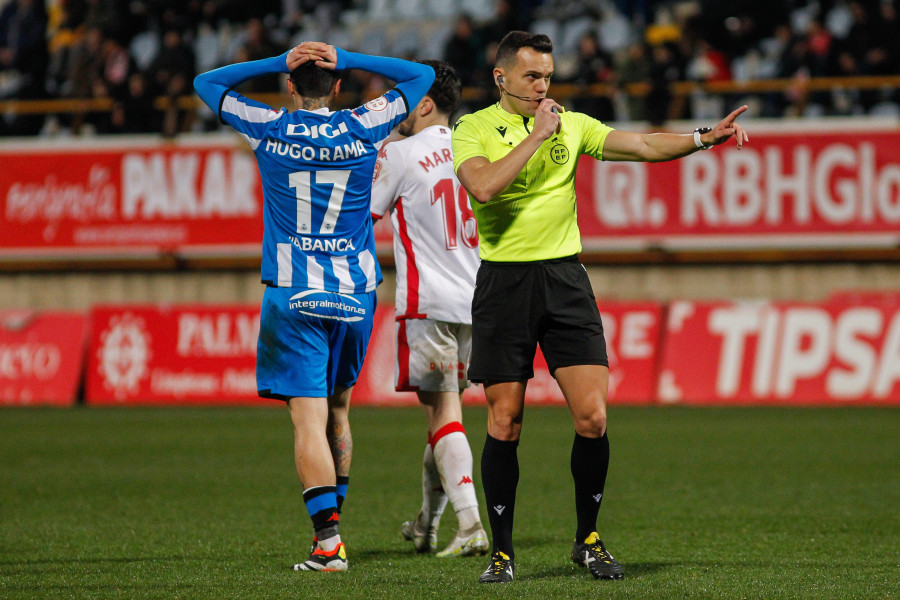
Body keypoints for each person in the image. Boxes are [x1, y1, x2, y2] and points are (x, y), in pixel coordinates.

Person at [451, 30, 749, 584]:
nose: (544, 87)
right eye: (532, 77)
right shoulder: (471, 130)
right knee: (505, 421)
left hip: (564, 278)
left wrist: (703, 137)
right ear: (501, 78)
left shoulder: (572, 122)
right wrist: (538, 137)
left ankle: (587, 539)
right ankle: (503, 551)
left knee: (592, 417)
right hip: (504, 284)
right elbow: (485, 188)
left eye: (548, 76)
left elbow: (639, 146)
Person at [194, 42, 434, 572]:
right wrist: (347, 54)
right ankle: (332, 529)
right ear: (339, 86)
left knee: (307, 420)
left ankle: (329, 544)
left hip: (294, 291)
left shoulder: (269, 127)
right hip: (354, 294)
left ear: (289, 86)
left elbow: (206, 83)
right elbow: (420, 75)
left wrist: (276, 60)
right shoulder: (362, 125)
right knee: (339, 408)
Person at [370, 60, 489, 559]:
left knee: (443, 413)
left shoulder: (400, 154)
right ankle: (427, 524)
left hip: (427, 303)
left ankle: (471, 524)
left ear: (422, 103)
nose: (396, 106)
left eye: (401, 96)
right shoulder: (476, 151)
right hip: (477, 302)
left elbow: (364, 215)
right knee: (446, 419)